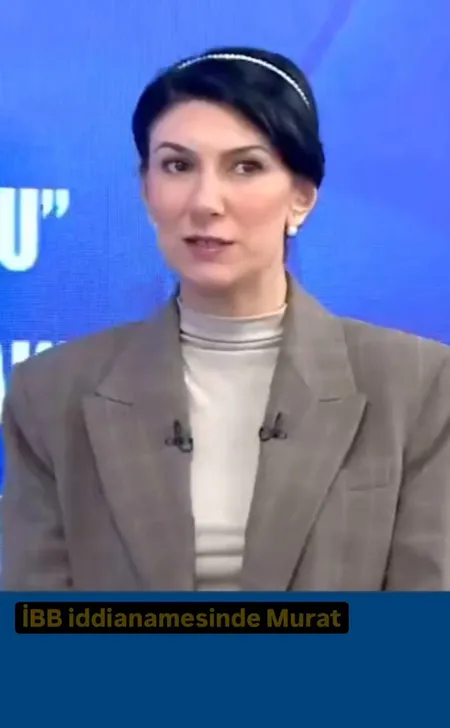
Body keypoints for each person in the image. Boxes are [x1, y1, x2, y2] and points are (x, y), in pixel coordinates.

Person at [2, 45, 450, 591]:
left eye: (246, 167)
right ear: (146, 190)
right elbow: (38, 625)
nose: (206, 201)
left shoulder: (419, 388)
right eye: (178, 166)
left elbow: (422, 625)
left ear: (301, 198)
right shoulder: (50, 395)